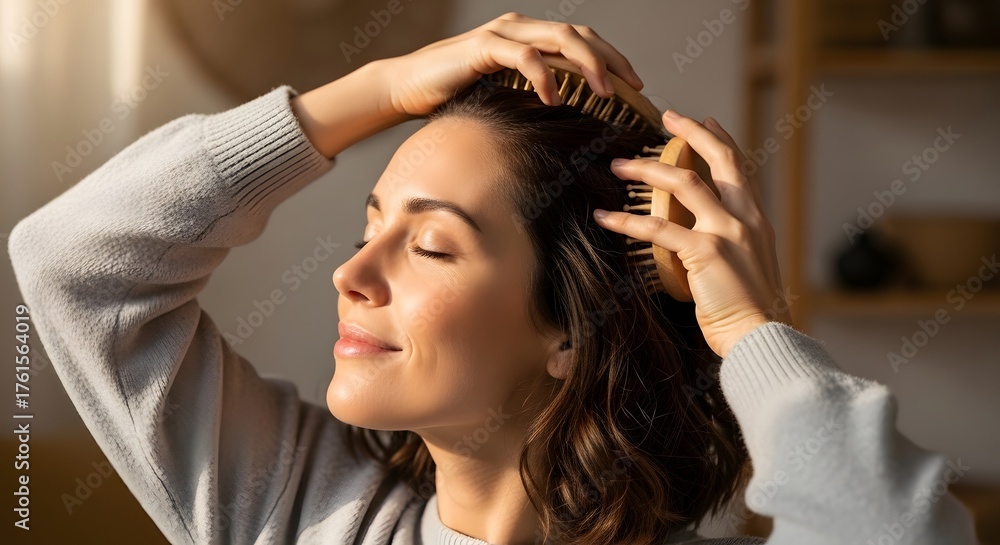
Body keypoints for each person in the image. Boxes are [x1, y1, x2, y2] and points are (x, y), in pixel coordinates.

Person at [8, 12, 977, 545]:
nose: (350, 273)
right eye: (370, 225)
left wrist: (750, 327)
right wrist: (383, 86)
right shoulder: (296, 508)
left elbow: (898, 528)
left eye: (431, 245)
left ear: (569, 331)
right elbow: (72, 260)